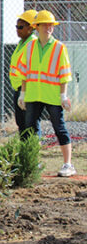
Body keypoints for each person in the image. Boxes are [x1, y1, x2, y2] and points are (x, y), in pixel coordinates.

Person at [17, 10, 76, 177]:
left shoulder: (59, 47)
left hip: (52, 96)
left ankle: (68, 164)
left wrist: (63, 96)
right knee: (30, 129)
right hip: (34, 95)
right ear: (37, 27)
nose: (49, 28)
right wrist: (23, 93)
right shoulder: (29, 47)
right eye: (45, 25)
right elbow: (24, 72)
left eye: (51, 25)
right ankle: (33, 163)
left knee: (59, 128)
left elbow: (64, 73)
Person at [9, 9, 37, 133]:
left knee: (30, 123)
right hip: (18, 87)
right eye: (16, 26)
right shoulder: (22, 43)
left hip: (28, 87)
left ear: (30, 28)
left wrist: (24, 91)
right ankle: (24, 149)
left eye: (20, 27)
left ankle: (32, 149)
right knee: (21, 123)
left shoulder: (33, 43)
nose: (17, 29)